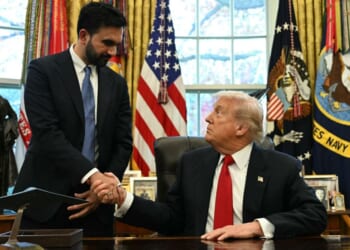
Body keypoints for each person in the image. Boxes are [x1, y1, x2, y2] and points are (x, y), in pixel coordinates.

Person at [91, 91, 327, 239]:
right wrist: (124, 199)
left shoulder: (281, 167)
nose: (207, 118)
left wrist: (257, 227)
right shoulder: (192, 163)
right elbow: (171, 218)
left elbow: (316, 215)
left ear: (241, 128)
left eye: (218, 112)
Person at [13, 2, 132, 237]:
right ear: (83, 35)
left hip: (97, 210)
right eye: (106, 43)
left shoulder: (116, 83)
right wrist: (93, 176)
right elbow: (47, 134)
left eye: (115, 45)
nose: (112, 52)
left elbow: (124, 142)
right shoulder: (42, 70)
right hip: (45, 206)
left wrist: (105, 186)